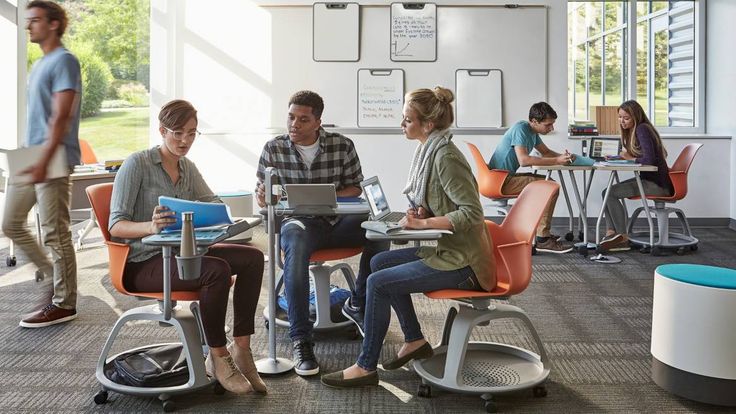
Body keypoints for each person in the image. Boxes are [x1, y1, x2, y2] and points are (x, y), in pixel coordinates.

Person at [320, 87, 495, 388]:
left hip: (465, 264)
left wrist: (424, 222)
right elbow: (447, 203)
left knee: (377, 282)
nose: (402, 125)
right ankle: (413, 339)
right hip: (447, 252)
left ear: (427, 125)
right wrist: (423, 211)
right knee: (379, 262)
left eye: (407, 120)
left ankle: (365, 366)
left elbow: (472, 214)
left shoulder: (445, 158)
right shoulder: (430, 151)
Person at [109, 100, 266, 394]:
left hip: (184, 256)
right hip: (143, 263)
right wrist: (150, 226)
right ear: (162, 130)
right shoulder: (137, 164)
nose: (185, 141)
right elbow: (115, 226)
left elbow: (213, 203)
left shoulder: (187, 167)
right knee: (215, 270)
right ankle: (218, 356)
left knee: (253, 258)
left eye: (192, 133)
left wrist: (215, 215)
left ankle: (242, 349)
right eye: (178, 133)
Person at [255, 90, 389, 377]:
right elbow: (264, 197)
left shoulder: (342, 146)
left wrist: (330, 198)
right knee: (295, 239)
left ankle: (357, 302)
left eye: (303, 120)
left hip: (337, 222)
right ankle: (301, 339)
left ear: (318, 122)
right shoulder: (273, 149)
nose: (294, 124)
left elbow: (356, 186)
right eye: (291, 117)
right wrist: (264, 194)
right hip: (298, 224)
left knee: (378, 229)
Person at [2, 1, 81, 328]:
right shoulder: (42, 64)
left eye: (34, 20)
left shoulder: (65, 61)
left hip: (53, 156)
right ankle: (51, 275)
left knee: (55, 232)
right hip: (31, 154)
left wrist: (45, 159)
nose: (28, 26)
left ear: (53, 24)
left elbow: (61, 117)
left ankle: (63, 303)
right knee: (10, 223)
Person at [486, 102, 574, 253]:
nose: (551, 128)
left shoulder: (532, 132)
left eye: (552, 124)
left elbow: (545, 152)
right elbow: (524, 160)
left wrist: (563, 157)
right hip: (500, 182)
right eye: (548, 125)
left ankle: (541, 235)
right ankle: (543, 239)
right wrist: (557, 161)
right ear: (534, 121)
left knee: (549, 184)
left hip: (503, 178)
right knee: (549, 187)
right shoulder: (521, 129)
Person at [599, 100, 673, 252]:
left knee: (610, 193)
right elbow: (641, 157)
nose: (622, 121)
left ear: (636, 117)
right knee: (606, 193)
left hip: (658, 185)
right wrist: (622, 157)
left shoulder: (642, 129)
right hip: (649, 180)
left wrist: (629, 158)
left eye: (626, 118)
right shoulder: (636, 130)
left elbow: (649, 160)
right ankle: (611, 233)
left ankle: (622, 237)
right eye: (620, 117)